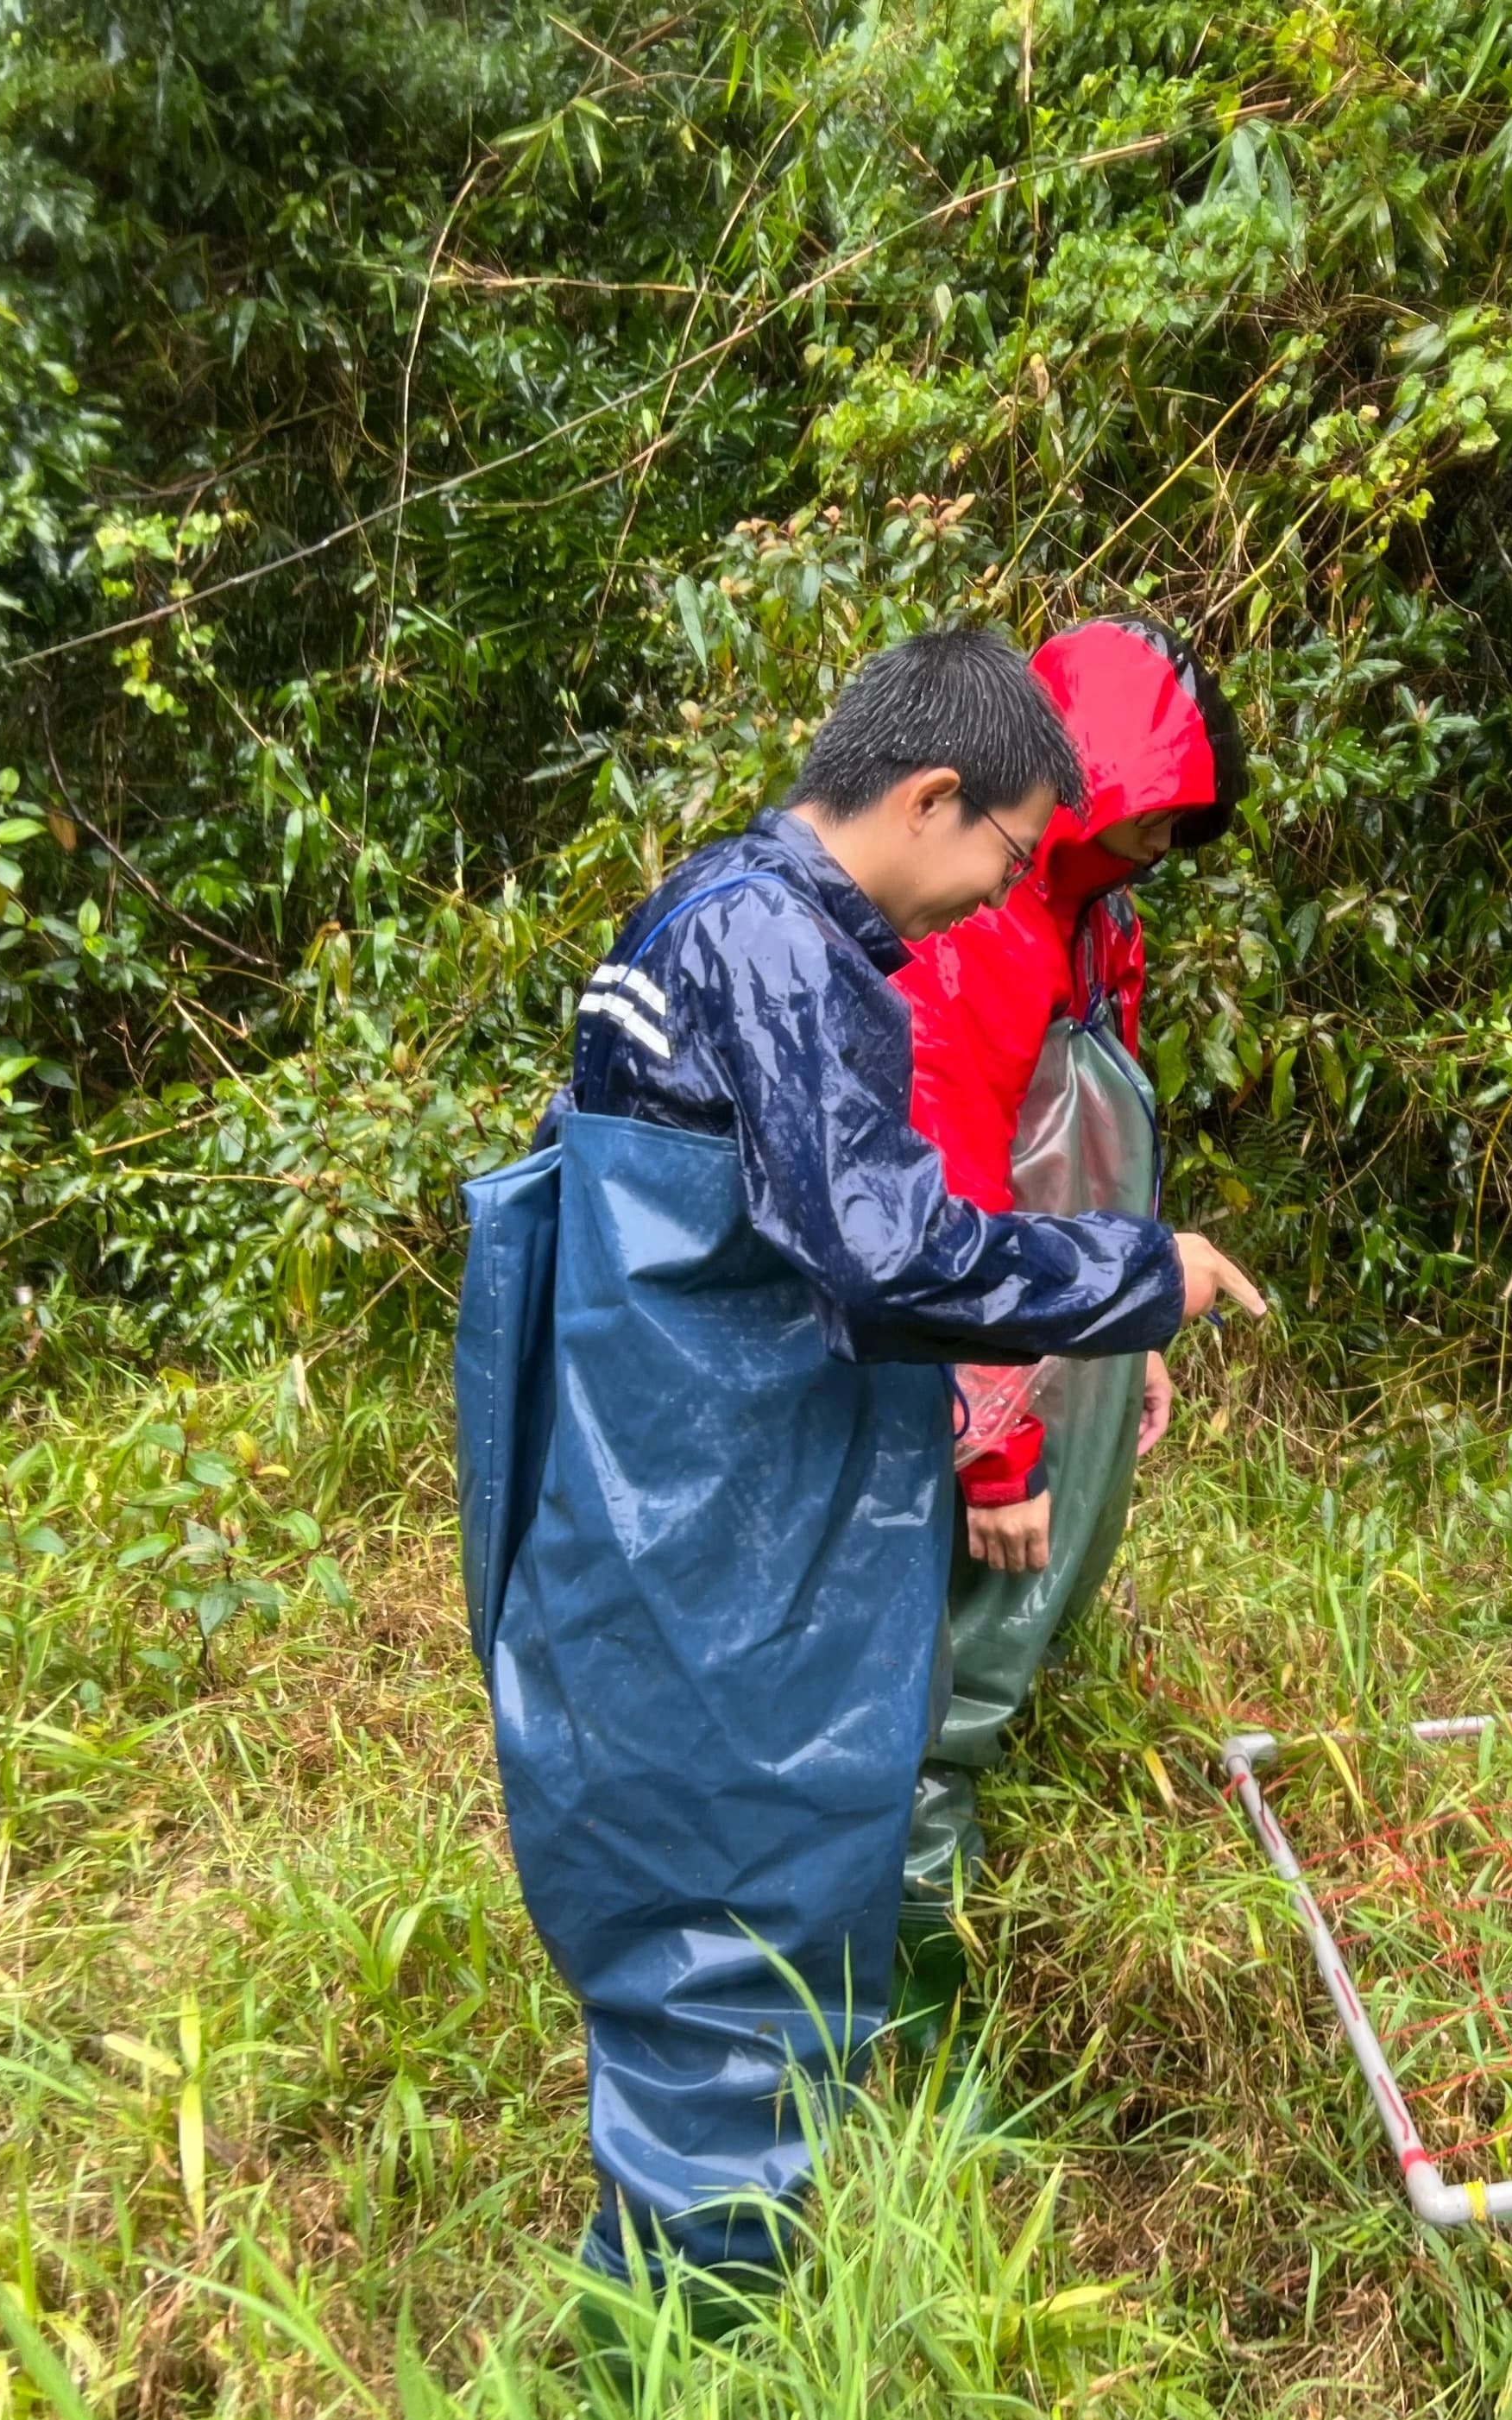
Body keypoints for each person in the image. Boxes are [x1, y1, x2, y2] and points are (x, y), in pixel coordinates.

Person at [451, 630, 1264, 2297]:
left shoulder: (717, 905)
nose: (998, 900)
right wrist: (1136, 1278)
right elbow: (885, 1254)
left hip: (671, 1486)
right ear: (931, 797)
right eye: (1009, 857)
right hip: (706, 1515)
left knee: (719, 1912)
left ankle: (698, 2295)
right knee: (726, 1903)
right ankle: (685, 2369)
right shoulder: (782, 952)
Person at [885, 617, 1247, 2030]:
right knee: (937, 1673)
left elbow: (1115, 1150)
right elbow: (938, 1192)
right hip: (970, 1356)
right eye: (1151, 818)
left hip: (1063, 1332)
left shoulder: (1104, 924)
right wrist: (992, 1437)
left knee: (1012, 1632)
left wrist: (1135, 1325)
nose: (1161, 847)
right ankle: (914, 2017)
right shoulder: (975, 926)